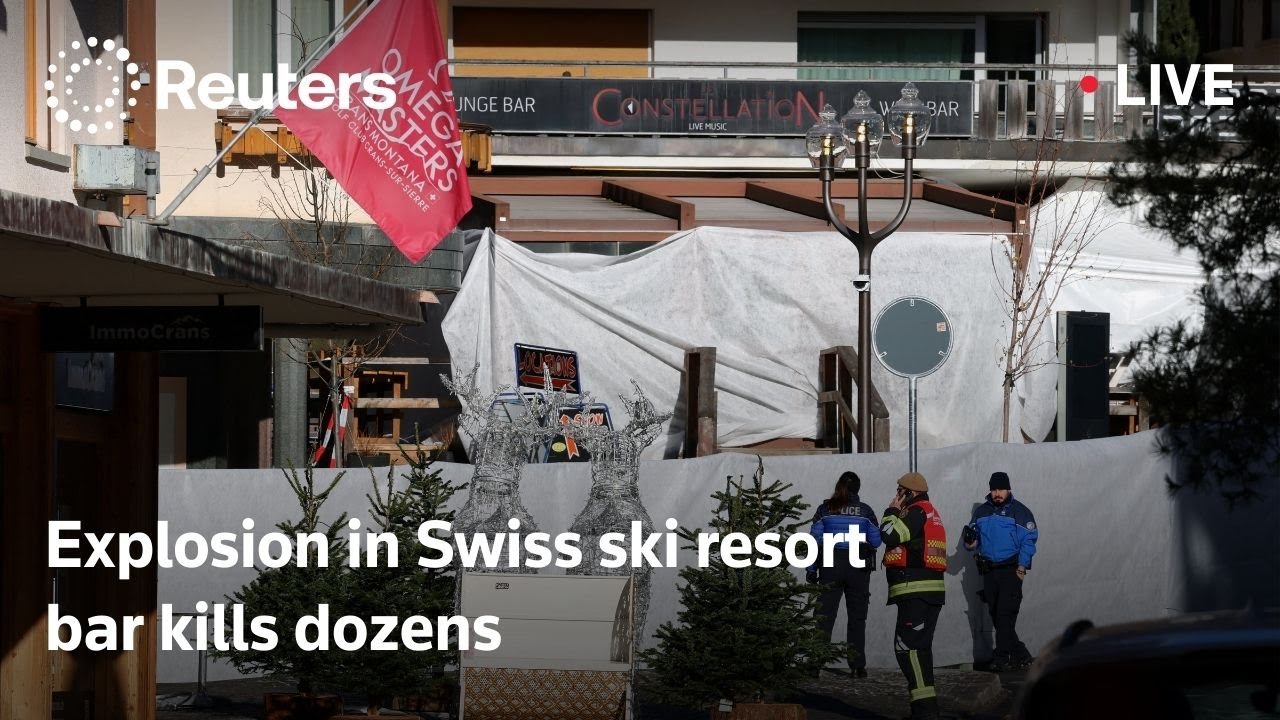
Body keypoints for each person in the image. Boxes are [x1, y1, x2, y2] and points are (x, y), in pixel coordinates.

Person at [879, 471, 946, 720]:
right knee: (919, 650)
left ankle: (925, 713)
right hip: (926, 591)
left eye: (900, 491)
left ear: (911, 492)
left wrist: (891, 511)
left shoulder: (915, 512)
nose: (897, 495)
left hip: (915, 591)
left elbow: (889, 534)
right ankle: (924, 710)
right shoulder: (929, 511)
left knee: (908, 649)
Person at [807, 471, 881, 677]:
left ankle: (815, 665)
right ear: (857, 489)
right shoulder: (865, 510)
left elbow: (814, 540)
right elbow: (876, 541)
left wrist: (811, 569)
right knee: (857, 617)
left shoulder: (825, 509)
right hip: (858, 565)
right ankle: (857, 666)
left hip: (830, 562)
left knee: (824, 616)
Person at [963, 470, 1038, 672]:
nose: (997, 493)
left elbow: (1028, 540)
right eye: (994, 489)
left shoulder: (1019, 511)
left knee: (1005, 614)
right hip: (989, 570)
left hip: (1011, 569)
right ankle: (1021, 655)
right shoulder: (982, 512)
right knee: (997, 615)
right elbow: (973, 540)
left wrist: (1022, 565)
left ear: (1008, 489)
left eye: (1001, 489)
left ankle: (1001, 658)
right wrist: (970, 543)